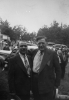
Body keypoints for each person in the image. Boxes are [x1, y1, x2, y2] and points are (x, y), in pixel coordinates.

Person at [32, 36, 61, 100]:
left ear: (46, 43)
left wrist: (56, 84)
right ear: (37, 44)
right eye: (39, 43)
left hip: (47, 85)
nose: (41, 45)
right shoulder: (34, 52)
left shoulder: (52, 53)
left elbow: (58, 69)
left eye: (43, 43)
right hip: (35, 83)